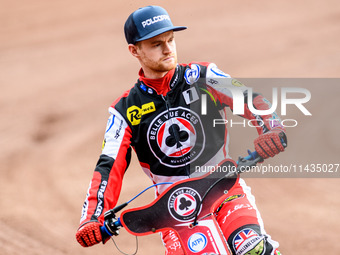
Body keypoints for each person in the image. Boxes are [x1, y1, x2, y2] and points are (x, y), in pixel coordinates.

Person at [75, 5, 286, 255]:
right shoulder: (124, 111)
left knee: (255, 250)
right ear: (134, 51)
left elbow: (250, 98)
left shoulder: (203, 76)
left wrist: (271, 127)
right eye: (156, 44)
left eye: (171, 40)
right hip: (173, 211)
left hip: (224, 190)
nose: (167, 49)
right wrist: (92, 217)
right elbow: (108, 166)